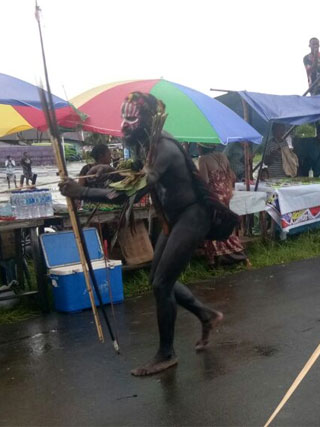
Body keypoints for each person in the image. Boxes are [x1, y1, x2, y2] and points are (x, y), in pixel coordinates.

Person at [59, 92, 225, 376]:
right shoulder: (147, 144)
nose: (124, 125)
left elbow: (131, 192)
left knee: (162, 283)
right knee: (159, 280)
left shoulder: (164, 148)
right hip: (173, 219)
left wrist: (81, 192)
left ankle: (167, 353)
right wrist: (108, 170)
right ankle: (206, 315)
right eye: (123, 117)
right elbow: (138, 171)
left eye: (132, 118)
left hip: (191, 217)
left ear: (148, 121)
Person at [197, 144, 246, 267]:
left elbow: (204, 182)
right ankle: (233, 253)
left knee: (212, 226)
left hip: (215, 197)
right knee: (225, 225)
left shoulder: (203, 159)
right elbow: (232, 176)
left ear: (201, 147)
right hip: (227, 193)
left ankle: (213, 259)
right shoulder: (223, 156)